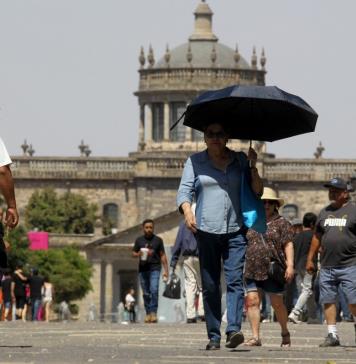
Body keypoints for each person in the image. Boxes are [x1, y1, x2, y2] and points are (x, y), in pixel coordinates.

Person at [177, 122, 263, 350]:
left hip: (236, 230)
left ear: (227, 138)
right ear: (204, 138)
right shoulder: (194, 162)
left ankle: (233, 329)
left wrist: (253, 165)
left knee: (235, 281)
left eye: (220, 134)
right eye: (210, 134)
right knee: (211, 283)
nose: (215, 137)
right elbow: (185, 191)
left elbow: (257, 191)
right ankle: (213, 335)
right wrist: (187, 211)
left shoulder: (240, 161)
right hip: (206, 230)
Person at [306, 177, 356, 347]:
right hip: (327, 265)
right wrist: (310, 258)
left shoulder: (353, 211)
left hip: (350, 264)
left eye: (335, 190)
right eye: (330, 190)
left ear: (345, 193)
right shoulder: (324, 212)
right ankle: (332, 334)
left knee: (353, 300)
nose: (331, 193)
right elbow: (316, 237)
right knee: (328, 300)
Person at [244, 187, 294, 347]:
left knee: (277, 304)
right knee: (252, 301)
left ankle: (285, 331)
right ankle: (255, 337)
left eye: (269, 203)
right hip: (252, 267)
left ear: (275, 205)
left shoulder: (282, 223)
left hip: (273, 269)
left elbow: (288, 245)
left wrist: (290, 265)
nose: (266, 205)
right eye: (263, 202)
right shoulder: (250, 221)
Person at [170, 204, 204, 323]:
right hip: (201, 257)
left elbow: (177, 244)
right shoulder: (202, 222)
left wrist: (173, 263)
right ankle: (202, 312)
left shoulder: (183, 225)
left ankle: (190, 315)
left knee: (190, 285)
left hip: (187, 258)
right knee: (202, 285)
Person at [132, 219, 169, 324]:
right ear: (143, 228)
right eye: (147, 227)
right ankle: (148, 313)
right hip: (143, 270)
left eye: (151, 227)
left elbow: (162, 255)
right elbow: (133, 253)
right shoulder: (139, 240)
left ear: (153, 228)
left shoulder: (158, 240)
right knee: (146, 293)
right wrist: (139, 253)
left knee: (154, 290)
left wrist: (166, 270)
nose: (149, 229)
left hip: (155, 269)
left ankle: (153, 313)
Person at [288, 212, 318, 324]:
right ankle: (295, 313)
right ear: (312, 223)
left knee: (308, 290)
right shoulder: (313, 235)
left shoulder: (297, 236)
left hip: (298, 266)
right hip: (309, 266)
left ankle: (313, 317)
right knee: (307, 290)